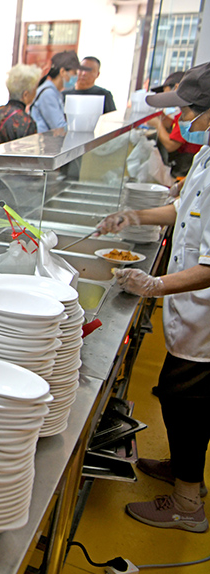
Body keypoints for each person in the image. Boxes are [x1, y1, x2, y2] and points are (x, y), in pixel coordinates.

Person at [95, 61, 210, 533]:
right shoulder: (206, 156)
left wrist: (156, 285)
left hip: (205, 324)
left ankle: (188, 504)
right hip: (191, 315)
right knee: (178, 399)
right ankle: (185, 470)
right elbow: (183, 209)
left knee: (188, 402)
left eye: (186, 110)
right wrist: (135, 218)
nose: (179, 120)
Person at [149, 71, 199, 178]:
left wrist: (158, 124)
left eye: (165, 91)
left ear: (176, 87)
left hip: (185, 166)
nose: (163, 93)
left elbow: (171, 145)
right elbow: (171, 124)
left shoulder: (189, 115)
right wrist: (159, 116)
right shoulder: (183, 113)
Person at [0, 64, 41, 150]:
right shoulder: (26, 122)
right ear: (25, 95)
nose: (36, 93)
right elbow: (28, 158)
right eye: (35, 89)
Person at [30, 50, 80, 133]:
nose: (76, 77)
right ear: (63, 72)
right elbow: (59, 127)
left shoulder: (55, 92)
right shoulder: (48, 93)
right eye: (74, 73)